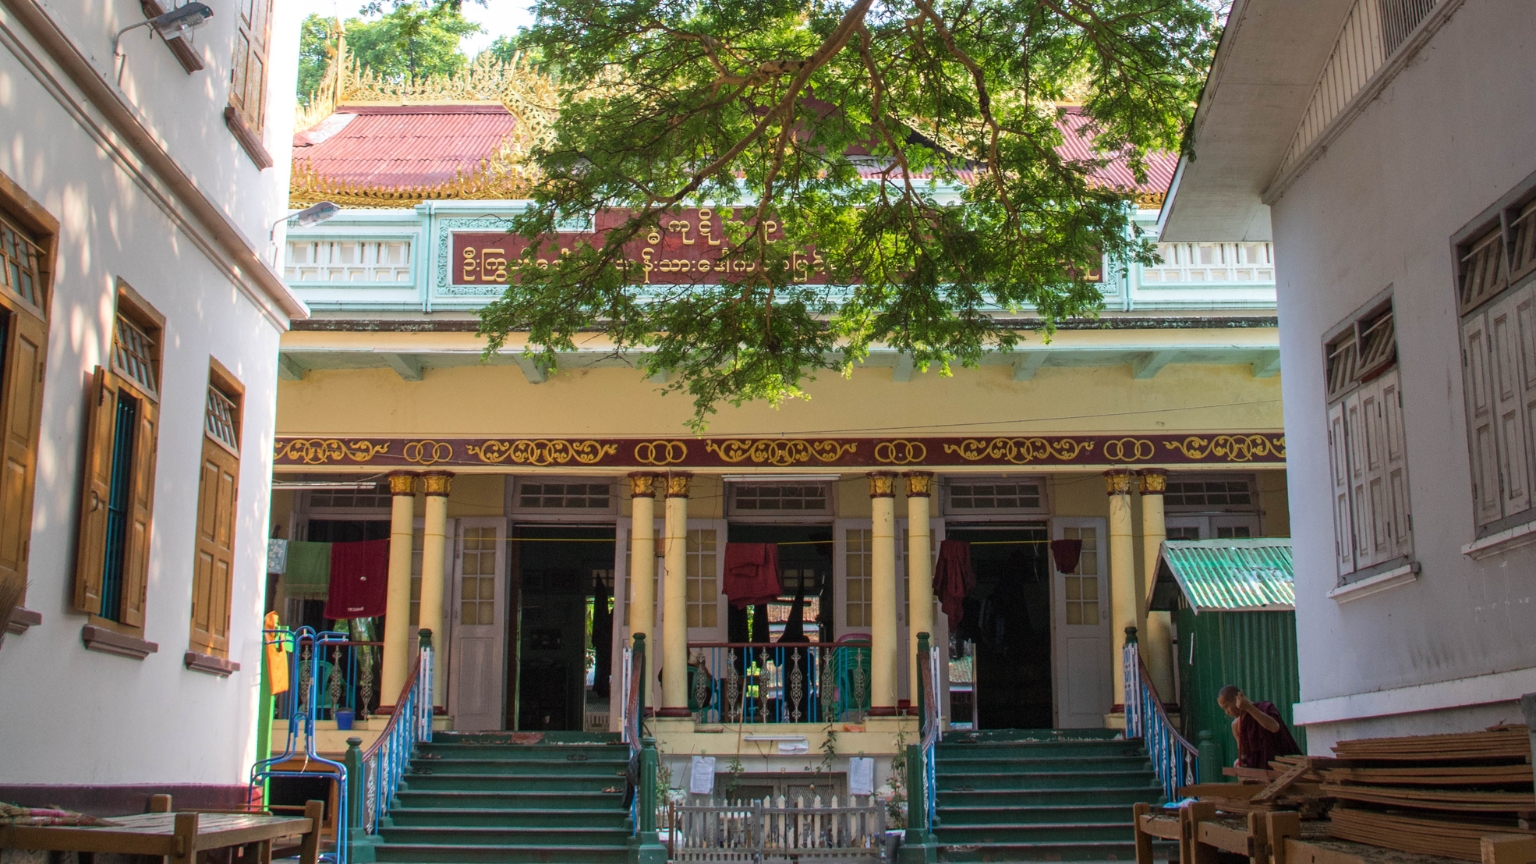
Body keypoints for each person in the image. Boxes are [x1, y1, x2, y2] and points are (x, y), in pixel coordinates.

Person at [1218, 684, 1301, 770]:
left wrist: (1248, 707)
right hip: (1259, 775)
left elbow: (1274, 727)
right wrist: (1239, 762)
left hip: (1284, 769)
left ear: (1238, 698)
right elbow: (1244, 756)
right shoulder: (1236, 725)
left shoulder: (1266, 708)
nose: (1226, 712)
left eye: (1226, 707)